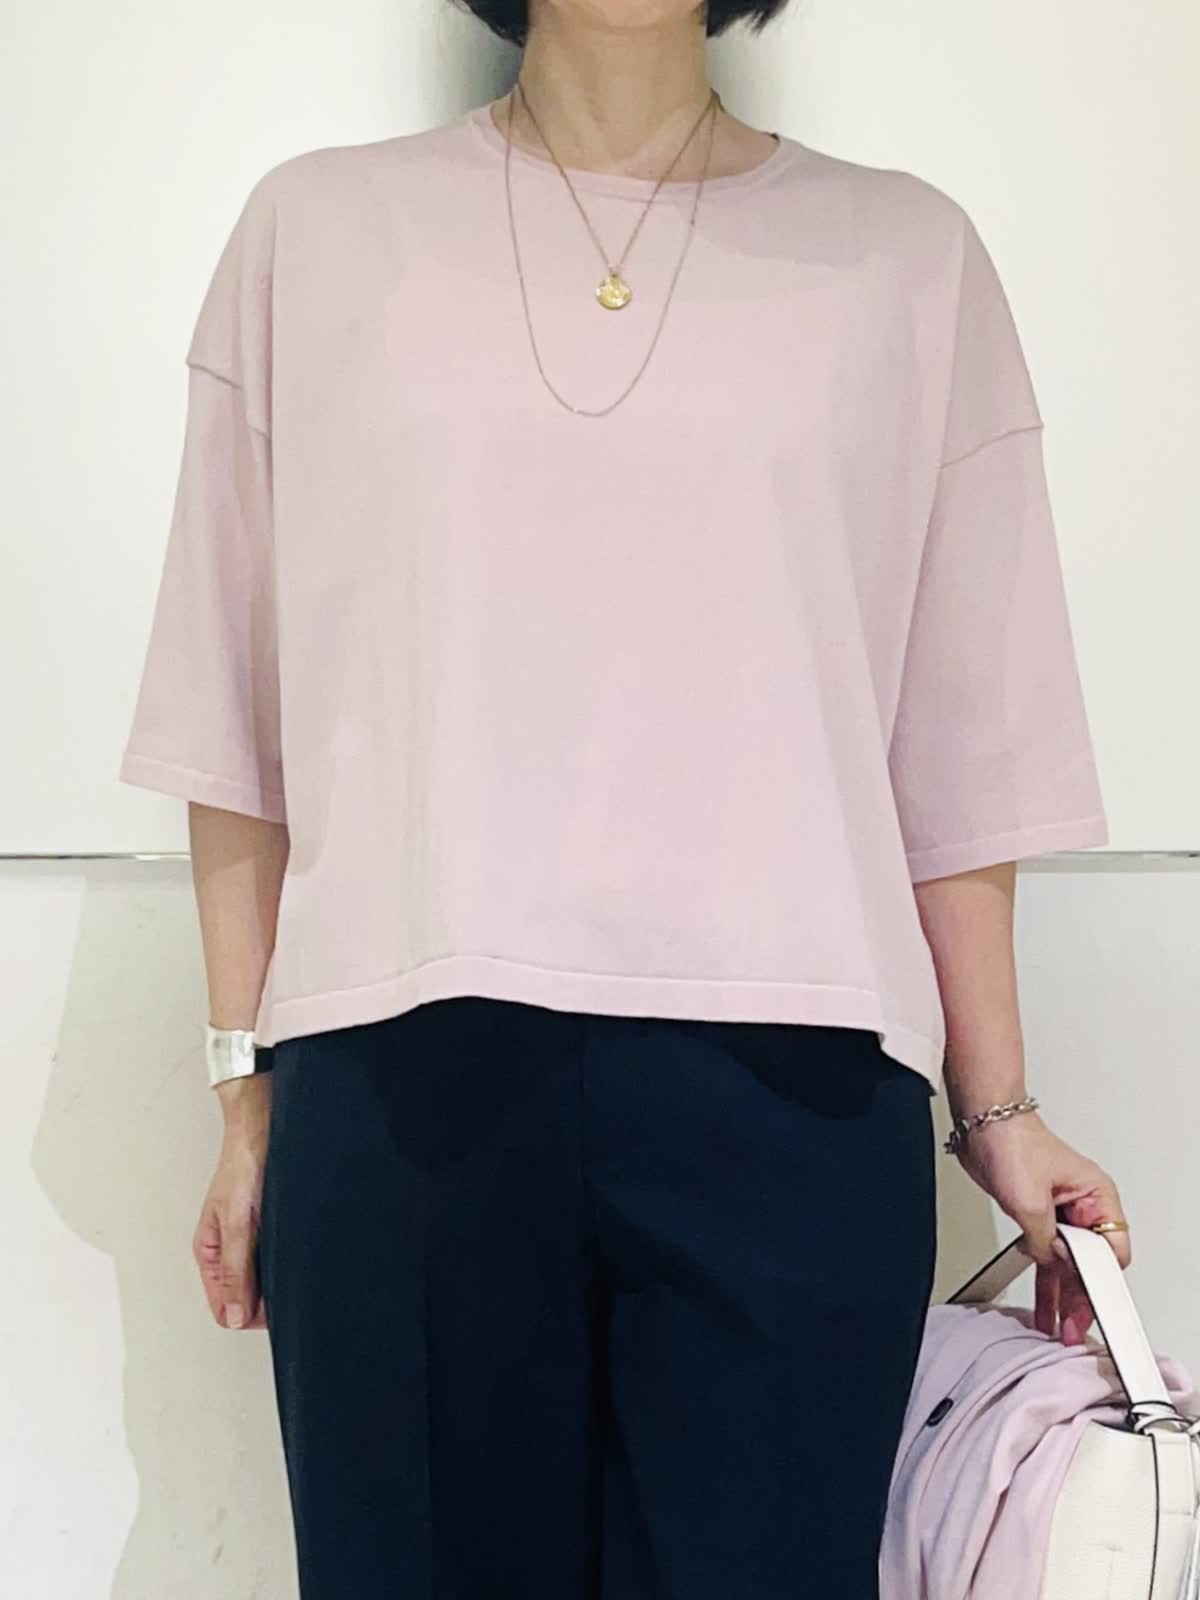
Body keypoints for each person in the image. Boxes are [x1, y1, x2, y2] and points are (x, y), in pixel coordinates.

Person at [117, 1, 1133, 1595]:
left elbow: (960, 741)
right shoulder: (316, 233)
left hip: (798, 1087)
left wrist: (999, 1111)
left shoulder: (905, 257)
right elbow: (231, 714)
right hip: (402, 1084)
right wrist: (244, 1098)